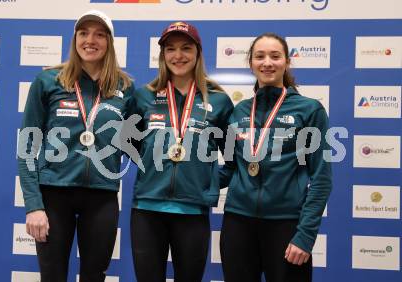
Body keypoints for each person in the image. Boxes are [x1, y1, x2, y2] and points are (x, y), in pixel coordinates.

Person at [17, 10, 134, 282]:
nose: (90, 40)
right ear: (75, 38)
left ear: (109, 42)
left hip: (102, 197)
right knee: (52, 275)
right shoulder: (48, 81)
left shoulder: (125, 87)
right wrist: (34, 205)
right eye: (83, 33)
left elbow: (140, 140)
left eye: (99, 34)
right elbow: (27, 148)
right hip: (54, 196)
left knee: (94, 276)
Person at [219, 32, 332, 282]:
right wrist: (189, 177)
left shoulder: (309, 110)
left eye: (275, 56)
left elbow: (322, 178)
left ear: (286, 62)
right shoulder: (239, 111)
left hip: (286, 225)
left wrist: (305, 235)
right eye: (260, 56)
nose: (267, 62)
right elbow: (228, 168)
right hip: (238, 223)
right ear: (251, 63)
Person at [126, 22, 234, 282]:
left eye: (186, 48)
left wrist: (208, 183)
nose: (178, 56)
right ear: (163, 55)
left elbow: (233, 159)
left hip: (192, 212)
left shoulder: (218, 101)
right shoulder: (144, 97)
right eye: (171, 49)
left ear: (198, 53)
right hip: (147, 211)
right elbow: (127, 142)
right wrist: (151, 169)